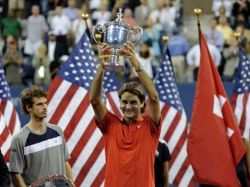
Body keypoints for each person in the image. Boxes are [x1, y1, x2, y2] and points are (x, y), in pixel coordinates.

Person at [90, 42, 161, 187]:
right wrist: (101, 67)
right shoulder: (110, 124)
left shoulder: (150, 125)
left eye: (133, 102)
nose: (128, 106)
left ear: (142, 104)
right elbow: (95, 100)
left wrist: (134, 60)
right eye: (124, 102)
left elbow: (153, 98)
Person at [9, 86, 73, 186]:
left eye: (45, 103)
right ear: (29, 108)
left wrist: (71, 184)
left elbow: (65, 162)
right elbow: (15, 174)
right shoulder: (19, 139)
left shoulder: (57, 131)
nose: (44, 107)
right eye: (39, 104)